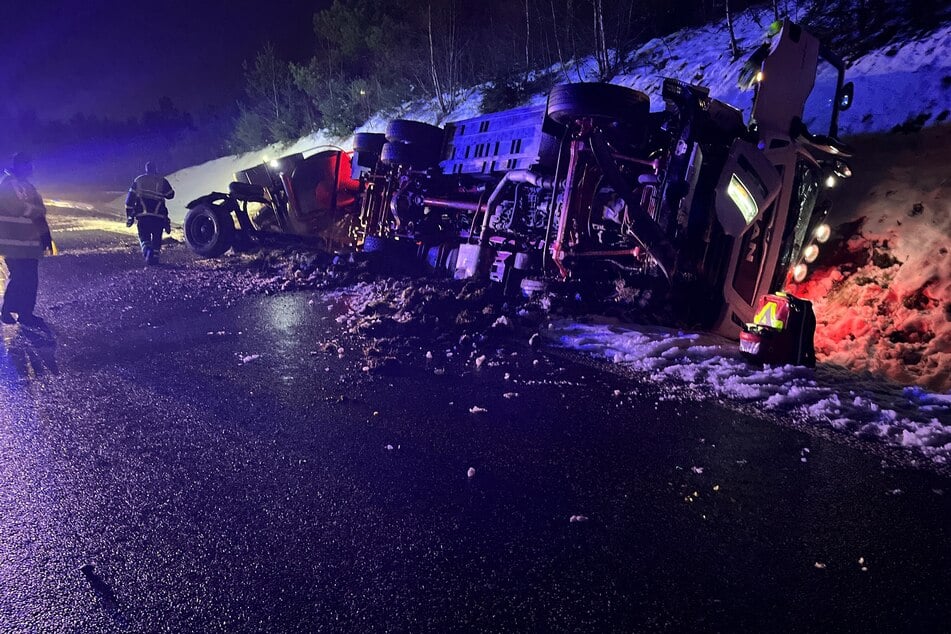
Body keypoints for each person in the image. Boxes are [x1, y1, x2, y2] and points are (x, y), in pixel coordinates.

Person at [0, 152, 52, 327]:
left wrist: (46, 235)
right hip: (13, 242)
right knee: (19, 276)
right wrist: (36, 211)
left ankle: (25, 313)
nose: (31, 168)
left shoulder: (27, 185)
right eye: (28, 164)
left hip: (29, 242)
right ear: (20, 165)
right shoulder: (7, 184)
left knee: (30, 279)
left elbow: (41, 210)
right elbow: (17, 208)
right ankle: (7, 310)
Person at [125, 161, 174, 265]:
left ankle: (147, 250)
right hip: (159, 216)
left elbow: (129, 199)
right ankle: (155, 257)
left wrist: (129, 216)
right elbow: (170, 195)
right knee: (157, 237)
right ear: (155, 169)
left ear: (146, 169)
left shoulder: (138, 180)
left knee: (144, 236)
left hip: (143, 216)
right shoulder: (162, 181)